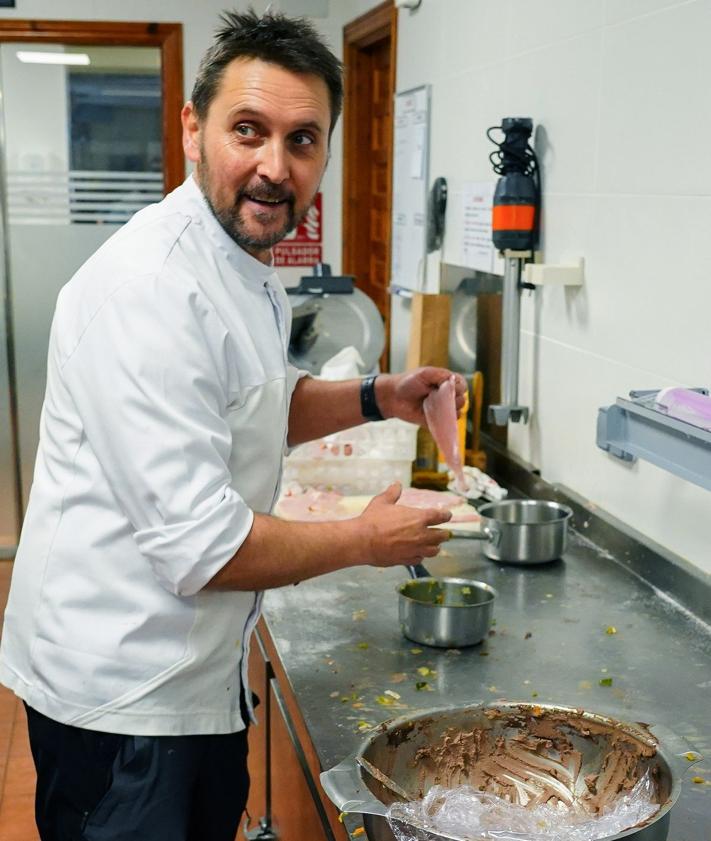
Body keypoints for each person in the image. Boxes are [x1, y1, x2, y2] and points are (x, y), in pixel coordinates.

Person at [0, 9, 465, 841]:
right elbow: (201, 546)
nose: (273, 167)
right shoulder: (148, 291)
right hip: (123, 694)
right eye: (247, 131)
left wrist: (379, 393)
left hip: (192, 678)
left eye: (302, 140)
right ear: (191, 128)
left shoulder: (244, 264)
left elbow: (257, 401)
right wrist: (367, 539)